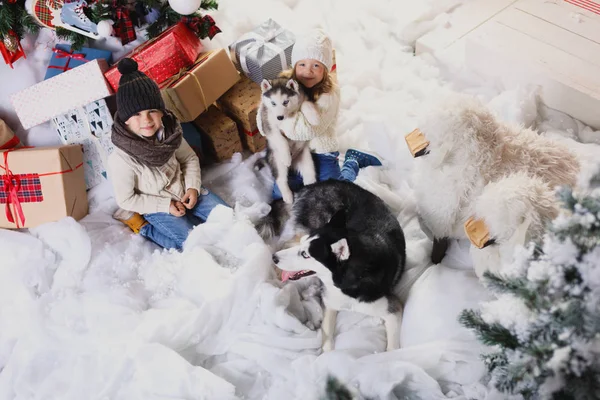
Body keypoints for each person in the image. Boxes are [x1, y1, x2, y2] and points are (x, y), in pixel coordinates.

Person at [108, 58, 228, 250]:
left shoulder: (169, 133)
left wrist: (192, 187)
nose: (146, 120)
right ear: (125, 121)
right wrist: (165, 205)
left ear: (162, 112)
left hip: (183, 189)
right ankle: (143, 227)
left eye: (152, 110)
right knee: (194, 244)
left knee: (229, 219)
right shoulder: (121, 159)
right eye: (136, 114)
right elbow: (126, 199)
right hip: (155, 205)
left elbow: (188, 158)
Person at [273, 29, 382, 200]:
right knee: (280, 195)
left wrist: (280, 121)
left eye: (316, 65)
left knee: (335, 196)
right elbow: (263, 116)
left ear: (325, 70)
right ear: (294, 66)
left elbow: (309, 129)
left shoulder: (329, 94)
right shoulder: (284, 83)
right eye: (302, 64)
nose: (308, 71)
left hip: (320, 152)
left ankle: (352, 162)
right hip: (293, 152)